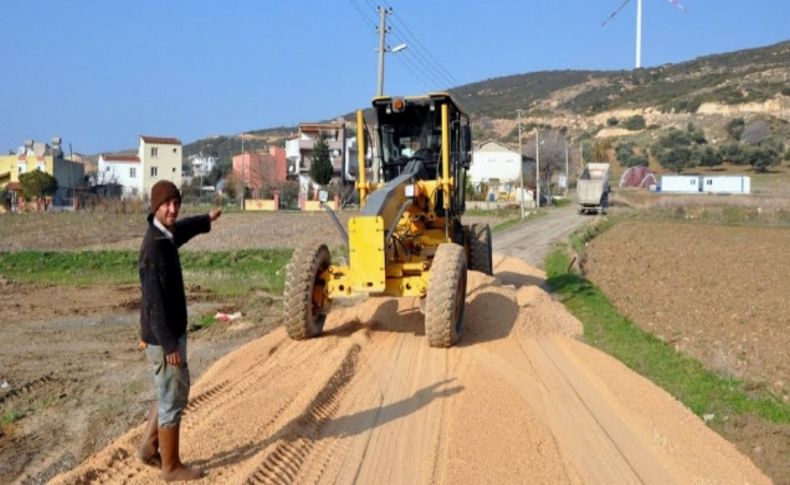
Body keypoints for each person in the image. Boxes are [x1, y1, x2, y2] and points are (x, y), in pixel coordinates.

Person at [137, 180, 221, 481]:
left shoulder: (165, 235)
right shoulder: (153, 251)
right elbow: (153, 304)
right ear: (155, 207)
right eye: (166, 204)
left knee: (167, 390)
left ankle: (149, 446)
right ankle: (171, 467)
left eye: (176, 203)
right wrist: (170, 345)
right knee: (172, 398)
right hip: (165, 339)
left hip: (165, 336)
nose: (172, 209)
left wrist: (206, 221)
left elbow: (181, 231)